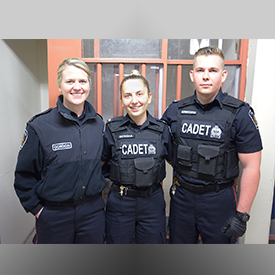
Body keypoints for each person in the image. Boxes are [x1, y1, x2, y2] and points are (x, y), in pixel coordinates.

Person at [161, 46, 262, 244]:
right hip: (182, 197)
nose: (206, 76)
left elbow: (251, 166)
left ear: (223, 75)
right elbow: (163, 150)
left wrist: (242, 214)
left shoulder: (239, 113)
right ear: (192, 75)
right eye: (200, 70)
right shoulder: (175, 111)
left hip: (219, 200)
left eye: (213, 71)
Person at [14, 58, 107, 244]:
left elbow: (104, 165)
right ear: (59, 86)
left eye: (82, 81)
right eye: (70, 81)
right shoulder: (39, 125)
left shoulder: (98, 124)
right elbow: (24, 176)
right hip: (54, 216)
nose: (77, 87)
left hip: (92, 214)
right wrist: (39, 210)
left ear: (89, 84)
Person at [102, 70, 173, 244]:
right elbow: (100, 165)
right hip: (120, 202)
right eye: (127, 95)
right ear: (122, 100)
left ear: (149, 97)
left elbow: (177, 163)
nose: (134, 101)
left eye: (139, 94)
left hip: (152, 202)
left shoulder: (162, 129)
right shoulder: (112, 129)